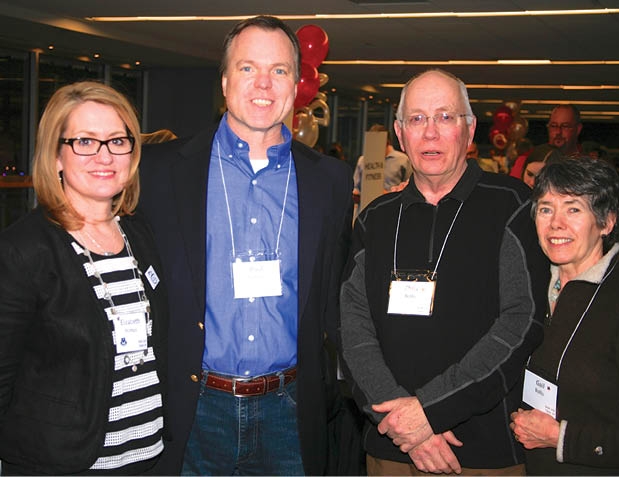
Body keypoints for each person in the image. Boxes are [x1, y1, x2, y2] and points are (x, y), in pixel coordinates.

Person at [138, 15, 354, 476]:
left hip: (291, 410)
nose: (263, 83)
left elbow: (336, 301)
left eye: (278, 70)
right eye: (247, 68)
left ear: (297, 84)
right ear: (224, 80)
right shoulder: (159, 173)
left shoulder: (331, 182)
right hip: (194, 407)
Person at [340, 69, 549, 475]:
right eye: (417, 119)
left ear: (468, 131)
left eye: (445, 117)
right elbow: (352, 327)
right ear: (400, 134)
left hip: (482, 452)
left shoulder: (512, 206)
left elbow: (521, 324)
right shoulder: (375, 219)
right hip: (392, 447)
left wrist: (432, 411)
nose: (430, 133)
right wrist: (407, 425)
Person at [0, 81, 168, 474]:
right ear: (56, 156)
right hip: (61, 463)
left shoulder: (140, 235)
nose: (105, 156)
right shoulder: (23, 250)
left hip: (148, 458)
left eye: (116, 140)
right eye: (85, 142)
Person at [510, 155, 619, 475]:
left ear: (606, 222)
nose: (556, 224)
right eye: (546, 209)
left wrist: (560, 437)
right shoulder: (529, 286)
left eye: (573, 209)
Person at [352, 124, 412, 197]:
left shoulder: (402, 160)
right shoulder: (362, 160)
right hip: (365, 205)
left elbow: (410, 187)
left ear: (387, 142)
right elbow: (355, 187)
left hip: (391, 205)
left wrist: (386, 194)